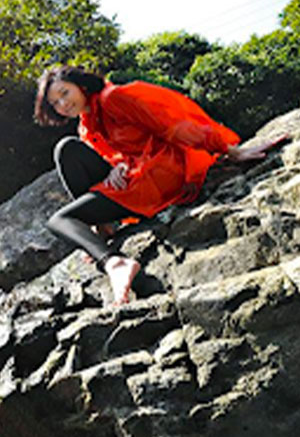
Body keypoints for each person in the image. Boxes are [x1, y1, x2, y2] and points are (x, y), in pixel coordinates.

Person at [33, 65, 286, 305]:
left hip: (161, 172)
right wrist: (118, 166)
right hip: (136, 171)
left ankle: (114, 263)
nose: (63, 105)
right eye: (55, 103)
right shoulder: (86, 124)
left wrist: (231, 151)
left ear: (81, 85)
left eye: (64, 93)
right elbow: (120, 149)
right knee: (66, 150)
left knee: (60, 219)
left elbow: (171, 126)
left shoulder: (114, 98)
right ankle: (103, 228)